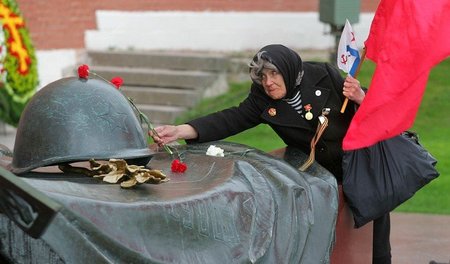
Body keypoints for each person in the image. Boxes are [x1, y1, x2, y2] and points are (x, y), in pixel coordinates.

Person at [152, 44, 391, 264]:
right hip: (317, 171)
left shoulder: (324, 75)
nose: (268, 82)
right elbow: (230, 119)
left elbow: (378, 108)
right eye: (262, 77)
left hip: (359, 162)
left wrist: (360, 96)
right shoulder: (262, 98)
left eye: (274, 74)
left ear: (287, 70)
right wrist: (179, 130)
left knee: (375, 230)